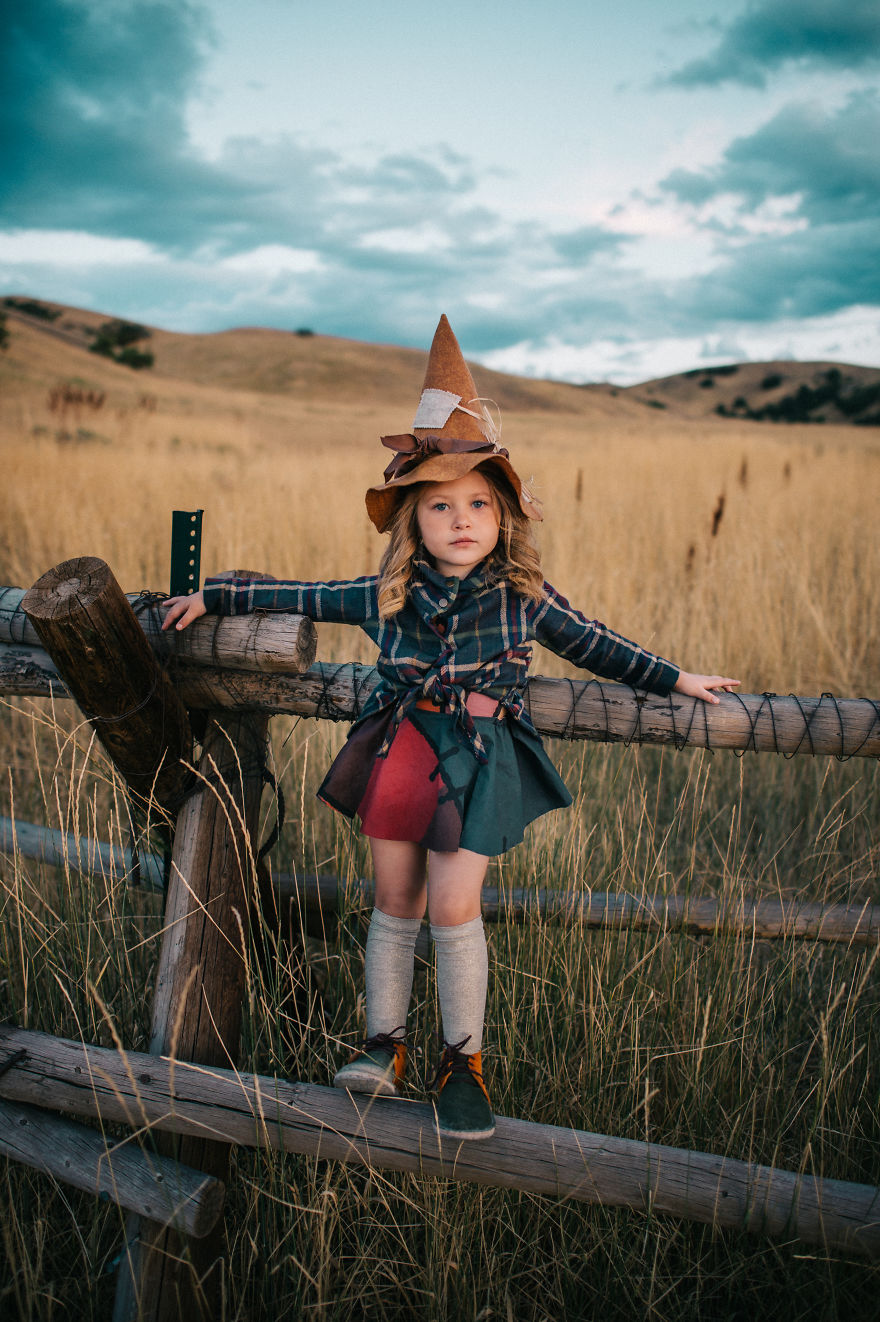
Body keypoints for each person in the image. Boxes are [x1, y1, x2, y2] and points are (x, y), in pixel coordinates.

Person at [163, 315, 739, 1141]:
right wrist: (214, 595)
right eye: (440, 505)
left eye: (478, 503)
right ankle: (381, 1048)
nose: (461, 519)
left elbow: (597, 645)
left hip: (480, 755)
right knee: (393, 900)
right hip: (398, 749)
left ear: (503, 515)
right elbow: (297, 592)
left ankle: (462, 1063)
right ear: (414, 519)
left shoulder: (523, 595)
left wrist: (678, 677)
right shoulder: (385, 594)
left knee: (454, 906)